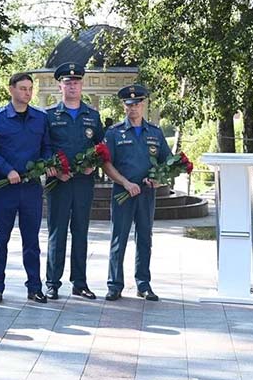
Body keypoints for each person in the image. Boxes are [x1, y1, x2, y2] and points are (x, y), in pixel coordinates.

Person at [0, 73, 53, 304]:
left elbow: (47, 147)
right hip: (5, 188)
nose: (27, 93)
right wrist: (7, 170)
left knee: (31, 240)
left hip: (31, 188)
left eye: (30, 89)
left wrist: (43, 165)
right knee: (0, 240)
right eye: (23, 89)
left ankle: (34, 287)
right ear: (11, 89)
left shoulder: (40, 119)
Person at [102, 84, 171, 302]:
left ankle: (144, 284)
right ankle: (115, 285)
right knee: (118, 239)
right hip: (123, 193)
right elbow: (106, 164)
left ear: (144, 104)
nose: (134, 108)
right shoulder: (114, 133)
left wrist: (158, 180)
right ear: (124, 106)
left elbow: (167, 163)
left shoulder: (155, 132)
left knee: (144, 238)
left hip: (146, 194)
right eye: (129, 104)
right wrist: (124, 182)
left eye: (138, 103)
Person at [45, 63, 104, 300]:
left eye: (76, 82)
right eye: (68, 82)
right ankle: (52, 283)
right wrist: (54, 169)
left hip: (82, 183)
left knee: (80, 232)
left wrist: (94, 164)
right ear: (60, 85)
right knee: (57, 233)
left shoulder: (93, 116)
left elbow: (101, 147)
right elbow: (44, 147)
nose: (72, 85)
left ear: (82, 85)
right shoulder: (48, 116)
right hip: (58, 183)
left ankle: (80, 282)